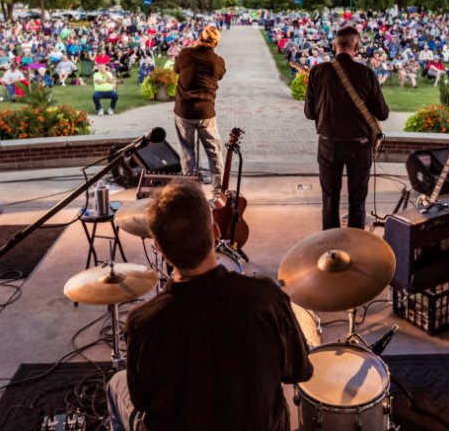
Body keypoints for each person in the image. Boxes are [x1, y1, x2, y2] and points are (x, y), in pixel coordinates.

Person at [106, 180, 313, 431]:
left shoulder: (143, 323)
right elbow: (300, 372)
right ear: (215, 232)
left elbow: (141, 400)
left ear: (158, 248)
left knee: (115, 385)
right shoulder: (266, 298)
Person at [304, 26, 389, 230]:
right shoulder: (366, 74)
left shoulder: (318, 72)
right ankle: (355, 248)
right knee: (357, 201)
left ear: (335, 45)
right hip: (359, 147)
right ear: (356, 46)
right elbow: (383, 113)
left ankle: (330, 252)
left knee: (330, 199)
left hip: (328, 144)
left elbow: (309, 113)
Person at [173, 25, 227, 197]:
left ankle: (191, 194)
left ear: (200, 37)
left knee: (187, 152)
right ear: (216, 42)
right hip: (206, 113)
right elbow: (220, 75)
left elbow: (176, 69)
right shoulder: (217, 61)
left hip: (184, 111)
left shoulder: (185, 54)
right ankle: (219, 193)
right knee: (214, 153)